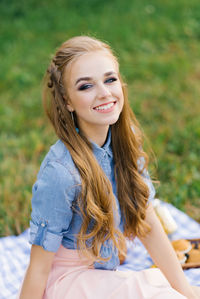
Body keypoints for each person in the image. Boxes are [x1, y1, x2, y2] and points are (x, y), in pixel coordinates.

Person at [18, 36, 200, 299]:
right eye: (85, 86)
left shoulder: (125, 143)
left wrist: (183, 289)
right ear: (67, 101)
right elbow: (38, 267)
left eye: (110, 79)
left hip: (103, 270)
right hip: (68, 283)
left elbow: (146, 221)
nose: (104, 92)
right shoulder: (60, 172)